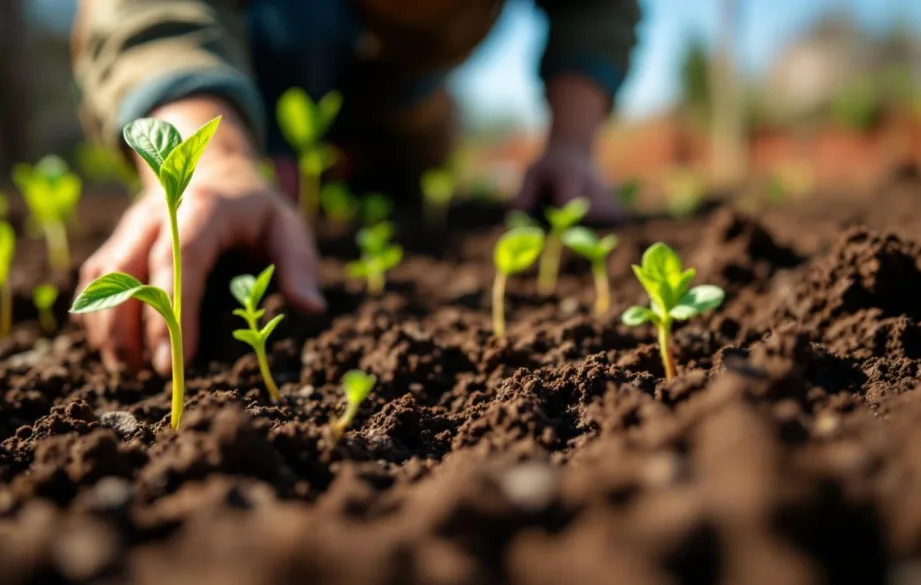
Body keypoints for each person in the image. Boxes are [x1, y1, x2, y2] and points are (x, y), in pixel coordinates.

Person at [71, 0, 640, 375]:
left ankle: (327, 159)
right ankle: (263, 152)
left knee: (409, 170)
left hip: (398, 84)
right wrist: (210, 157)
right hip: (246, 45)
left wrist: (572, 145)